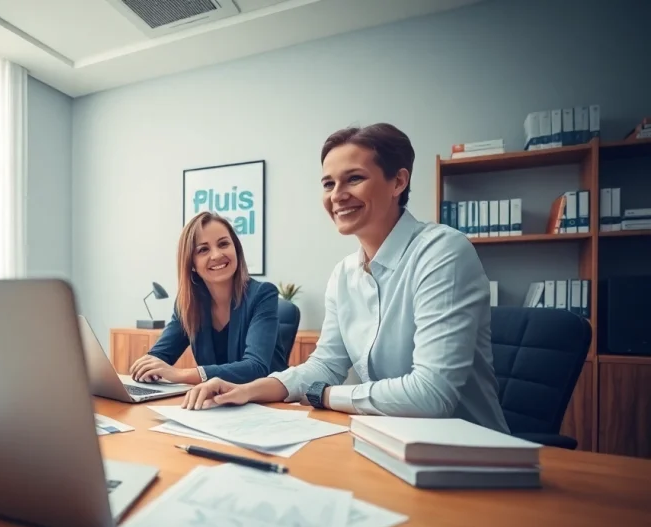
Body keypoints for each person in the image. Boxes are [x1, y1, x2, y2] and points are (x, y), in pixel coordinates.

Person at [180, 123, 510, 433]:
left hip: (469, 454)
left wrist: (322, 395)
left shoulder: (442, 251)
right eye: (328, 184)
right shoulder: (343, 275)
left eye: (353, 179)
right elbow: (323, 364)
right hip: (387, 439)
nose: (337, 195)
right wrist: (246, 390)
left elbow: (431, 395)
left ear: (398, 182)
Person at [128, 211, 289, 386]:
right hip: (217, 405)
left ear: (236, 248)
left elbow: (256, 368)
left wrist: (179, 374)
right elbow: (159, 356)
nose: (217, 255)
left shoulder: (262, 295)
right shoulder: (189, 304)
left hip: (268, 404)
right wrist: (147, 368)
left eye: (223, 244)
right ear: (192, 264)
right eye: (203, 249)